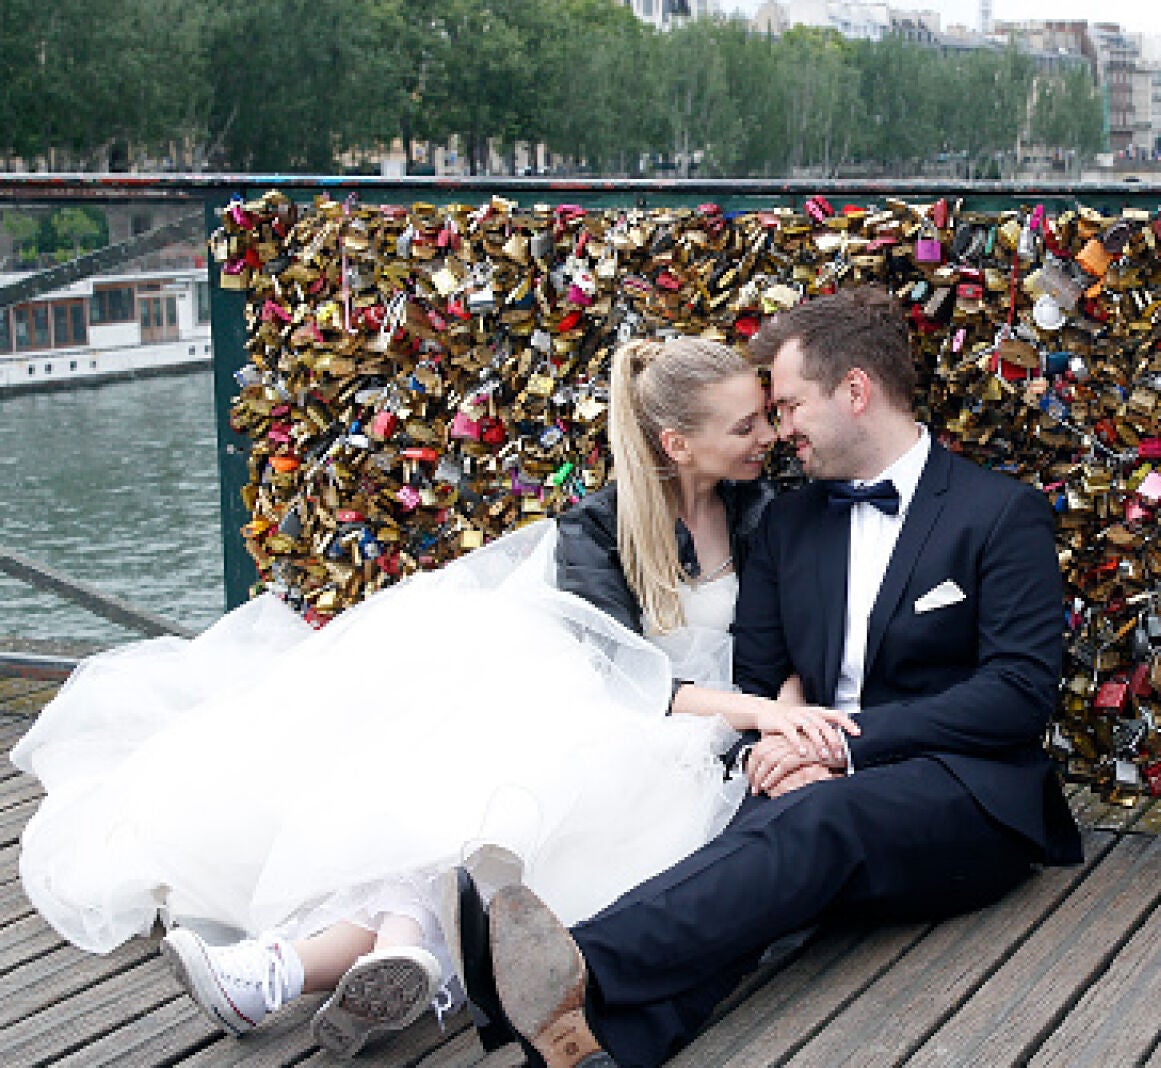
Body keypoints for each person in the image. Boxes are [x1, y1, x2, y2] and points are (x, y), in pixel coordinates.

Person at [9, 336, 857, 1057]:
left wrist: (780, 709)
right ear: (677, 443)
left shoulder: (764, 510)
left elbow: (785, 637)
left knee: (520, 819)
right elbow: (617, 679)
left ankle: (306, 967)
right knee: (493, 803)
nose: (768, 437)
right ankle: (369, 957)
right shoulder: (595, 530)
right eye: (746, 425)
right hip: (615, 711)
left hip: (692, 737)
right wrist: (757, 711)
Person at [450, 287, 1085, 1068]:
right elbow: (758, 672)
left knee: (813, 823)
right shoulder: (785, 523)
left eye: (787, 408)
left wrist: (839, 746)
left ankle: (579, 963)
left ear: (855, 392)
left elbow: (1019, 695)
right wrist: (776, 748)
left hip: (963, 798)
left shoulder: (997, 513)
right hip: (804, 784)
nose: (780, 433)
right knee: (761, 851)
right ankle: (587, 1043)